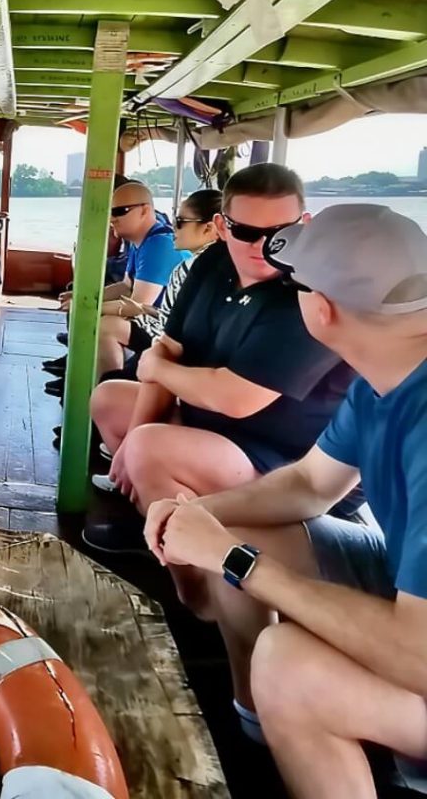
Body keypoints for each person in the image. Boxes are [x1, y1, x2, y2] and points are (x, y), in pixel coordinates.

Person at [145, 205, 427, 798]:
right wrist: (205, 516)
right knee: (247, 526)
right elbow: (310, 485)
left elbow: (418, 655)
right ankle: (258, 724)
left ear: (319, 311)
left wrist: (233, 559)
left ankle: (298, 712)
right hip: (404, 587)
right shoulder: (389, 374)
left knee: (288, 665)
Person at [87, 163, 355, 552]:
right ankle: (153, 526)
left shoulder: (310, 292)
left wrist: (155, 374)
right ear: (223, 226)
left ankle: (189, 569)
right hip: (213, 429)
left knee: (150, 446)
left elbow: (236, 398)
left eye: (282, 233)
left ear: (305, 224)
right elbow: (169, 347)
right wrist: (127, 445)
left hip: (286, 463)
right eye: (246, 232)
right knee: (110, 401)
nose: (263, 246)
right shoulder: (213, 263)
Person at [44, 180, 188, 397]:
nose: (112, 218)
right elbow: (126, 286)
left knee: (107, 326)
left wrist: (91, 307)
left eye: (120, 211)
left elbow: (138, 304)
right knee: (84, 308)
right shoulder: (141, 241)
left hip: (173, 330)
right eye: (110, 212)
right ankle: (80, 386)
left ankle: (109, 392)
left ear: (145, 211)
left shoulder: (159, 244)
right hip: (156, 321)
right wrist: (84, 298)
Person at [95, 188, 221, 379]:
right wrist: (146, 310)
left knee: (109, 338)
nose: (173, 228)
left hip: (182, 350)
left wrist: (91, 308)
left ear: (209, 229)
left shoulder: (195, 268)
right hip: (177, 340)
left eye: (180, 223)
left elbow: (179, 328)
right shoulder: (204, 264)